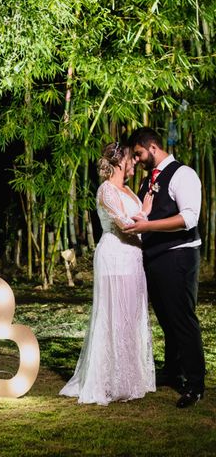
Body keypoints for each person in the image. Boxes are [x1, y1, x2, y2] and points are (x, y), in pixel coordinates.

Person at [60, 142, 156, 405]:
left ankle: (129, 377)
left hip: (133, 258)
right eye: (131, 159)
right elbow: (126, 225)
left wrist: (143, 214)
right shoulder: (106, 190)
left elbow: (135, 223)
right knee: (113, 315)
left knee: (130, 316)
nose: (135, 162)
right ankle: (108, 379)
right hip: (114, 257)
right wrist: (146, 213)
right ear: (119, 162)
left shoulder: (128, 190)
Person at [126, 127, 205, 408]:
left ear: (153, 147)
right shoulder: (149, 181)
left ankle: (195, 384)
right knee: (168, 321)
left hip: (179, 256)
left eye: (138, 154)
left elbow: (189, 218)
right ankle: (174, 371)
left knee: (183, 319)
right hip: (155, 258)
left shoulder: (184, 174)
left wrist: (148, 226)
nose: (136, 160)